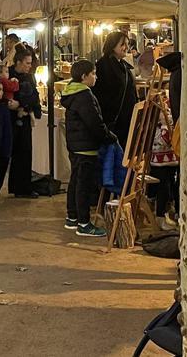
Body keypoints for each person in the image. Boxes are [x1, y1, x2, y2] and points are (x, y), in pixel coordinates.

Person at [61, 59, 116, 237]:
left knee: (76, 180)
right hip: (85, 145)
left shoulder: (72, 93)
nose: (96, 77)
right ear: (84, 76)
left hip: (75, 144)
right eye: (93, 74)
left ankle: (72, 217)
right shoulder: (84, 95)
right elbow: (94, 122)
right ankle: (84, 223)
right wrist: (108, 137)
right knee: (83, 184)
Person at [93, 31, 139, 148]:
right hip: (114, 120)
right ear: (112, 45)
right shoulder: (103, 66)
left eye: (127, 44)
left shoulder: (124, 65)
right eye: (123, 44)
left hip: (127, 119)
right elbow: (100, 93)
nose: (126, 47)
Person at [8, 49, 41, 198]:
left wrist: (22, 104)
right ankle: (14, 186)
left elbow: (34, 97)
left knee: (25, 152)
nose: (29, 66)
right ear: (18, 62)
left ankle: (23, 187)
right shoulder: (7, 74)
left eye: (30, 63)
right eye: (27, 63)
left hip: (25, 118)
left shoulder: (30, 77)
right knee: (12, 153)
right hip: (10, 120)